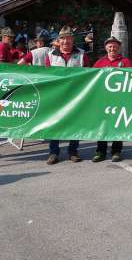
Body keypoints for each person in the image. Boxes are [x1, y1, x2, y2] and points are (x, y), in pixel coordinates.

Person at [45, 26, 90, 165]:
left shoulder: (82, 54)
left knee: (74, 123)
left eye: (68, 38)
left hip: (75, 96)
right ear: (59, 40)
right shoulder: (51, 55)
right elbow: (46, 76)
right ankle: (53, 152)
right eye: (63, 39)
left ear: (73, 39)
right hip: (56, 96)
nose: (66, 41)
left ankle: (73, 151)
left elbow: (88, 75)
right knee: (55, 123)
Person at [91, 36, 132, 163]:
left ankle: (116, 151)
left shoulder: (125, 62)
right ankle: (100, 151)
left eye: (114, 46)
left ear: (118, 48)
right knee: (102, 125)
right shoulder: (99, 63)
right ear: (106, 48)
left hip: (119, 99)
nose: (112, 48)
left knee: (117, 125)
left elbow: (131, 78)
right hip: (103, 99)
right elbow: (91, 79)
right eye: (110, 46)